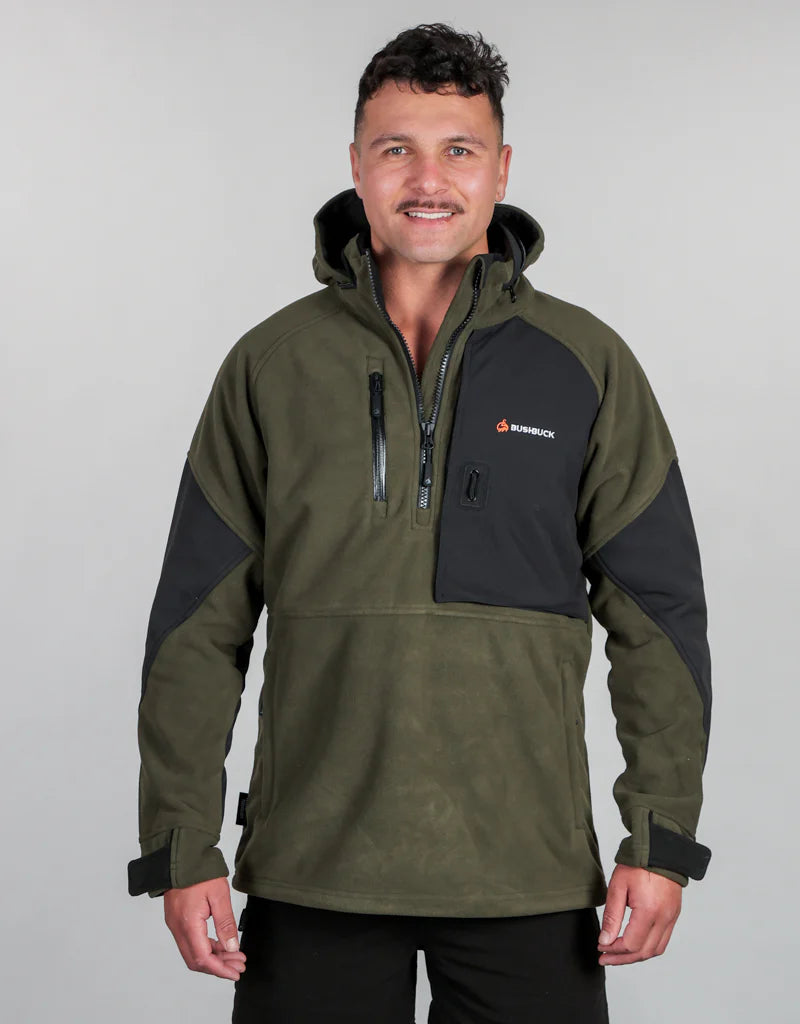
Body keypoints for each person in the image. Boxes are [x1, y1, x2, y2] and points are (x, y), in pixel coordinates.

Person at [127, 22, 712, 1023]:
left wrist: (659, 839)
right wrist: (180, 844)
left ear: (501, 169)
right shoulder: (270, 365)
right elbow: (196, 624)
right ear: (356, 164)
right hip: (314, 868)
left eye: (458, 149)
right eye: (397, 148)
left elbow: (657, 614)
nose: (428, 180)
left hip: (526, 871)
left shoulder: (585, 364)